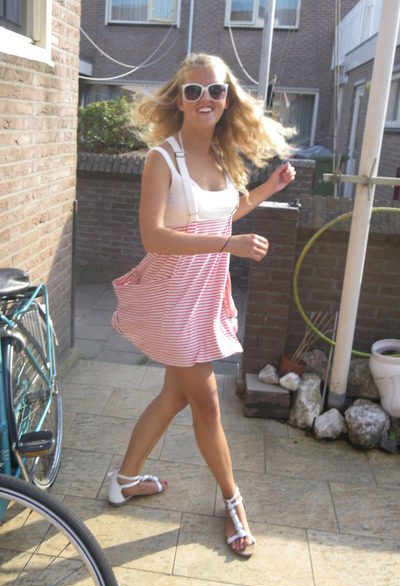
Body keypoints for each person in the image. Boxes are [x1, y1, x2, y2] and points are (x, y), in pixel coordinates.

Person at [109, 53, 295, 558]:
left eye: (215, 90)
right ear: (179, 100)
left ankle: (124, 481)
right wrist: (228, 246)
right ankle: (234, 503)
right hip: (174, 298)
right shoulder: (162, 159)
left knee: (175, 396)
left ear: (227, 99)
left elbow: (223, 214)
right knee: (208, 403)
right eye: (193, 91)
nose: (205, 99)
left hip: (204, 297)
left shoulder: (220, 155)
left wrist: (269, 188)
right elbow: (154, 237)